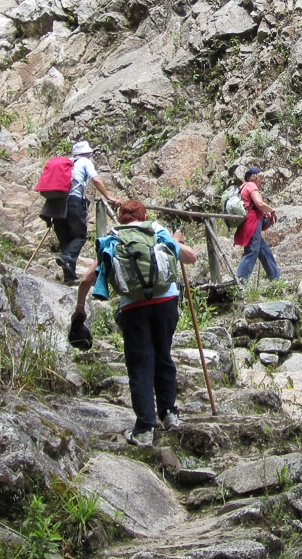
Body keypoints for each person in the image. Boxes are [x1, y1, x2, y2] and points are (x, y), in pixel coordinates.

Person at [72, 200, 197, 447]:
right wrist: (176, 240)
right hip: (166, 303)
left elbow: (87, 278)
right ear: (144, 215)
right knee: (164, 356)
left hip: (133, 307)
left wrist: (79, 310)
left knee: (140, 364)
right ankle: (169, 413)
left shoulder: (115, 238)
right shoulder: (157, 231)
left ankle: (144, 428)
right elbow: (191, 257)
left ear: (121, 219)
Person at [49, 141, 115, 284]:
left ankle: (69, 276)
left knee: (66, 238)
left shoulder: (67, 163)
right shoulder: (85, 162)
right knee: (79, 236)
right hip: (73, 200)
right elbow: (95, 179)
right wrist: (108, 196)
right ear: (87, 153)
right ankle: (67, 259)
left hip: (56, 203)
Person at [234, 167, 280, 283]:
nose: (261, 181)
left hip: (248, 221)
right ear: (254, 177)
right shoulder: (251, 185)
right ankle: (240, 280)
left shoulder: (243, 186)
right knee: (252, 250)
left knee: (264, 250)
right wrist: (272, 210)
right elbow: (259, 203)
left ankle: (275, 278)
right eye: (260, 178)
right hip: (252, 222)